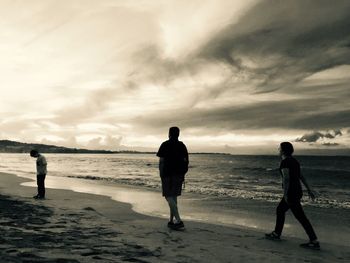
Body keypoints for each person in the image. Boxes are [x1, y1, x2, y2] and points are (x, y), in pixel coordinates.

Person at [265, 142, 320, 249]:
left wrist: (285, 195)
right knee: (281, 210)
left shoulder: (285, 162)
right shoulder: (295, 161)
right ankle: (277, 233)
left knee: (300, 217)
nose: (278, 150)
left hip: (291, 193)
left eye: (279, 148)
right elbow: (301, 176)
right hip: (297, 191)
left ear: (283, 151)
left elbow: (286, 178)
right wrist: (309, 189)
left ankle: (314, 241)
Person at [157, 127, 189, 230]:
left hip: (167, 174)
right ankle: (171, 221)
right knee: (174, 198)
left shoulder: (165, 144)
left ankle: (179, 221)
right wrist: (183, 174)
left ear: (169, 134)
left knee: (168, 196)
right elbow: (186, 161)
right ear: (178, 134)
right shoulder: (182, 146)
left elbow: (161, 161)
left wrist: (161, 174)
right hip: (179, 175)